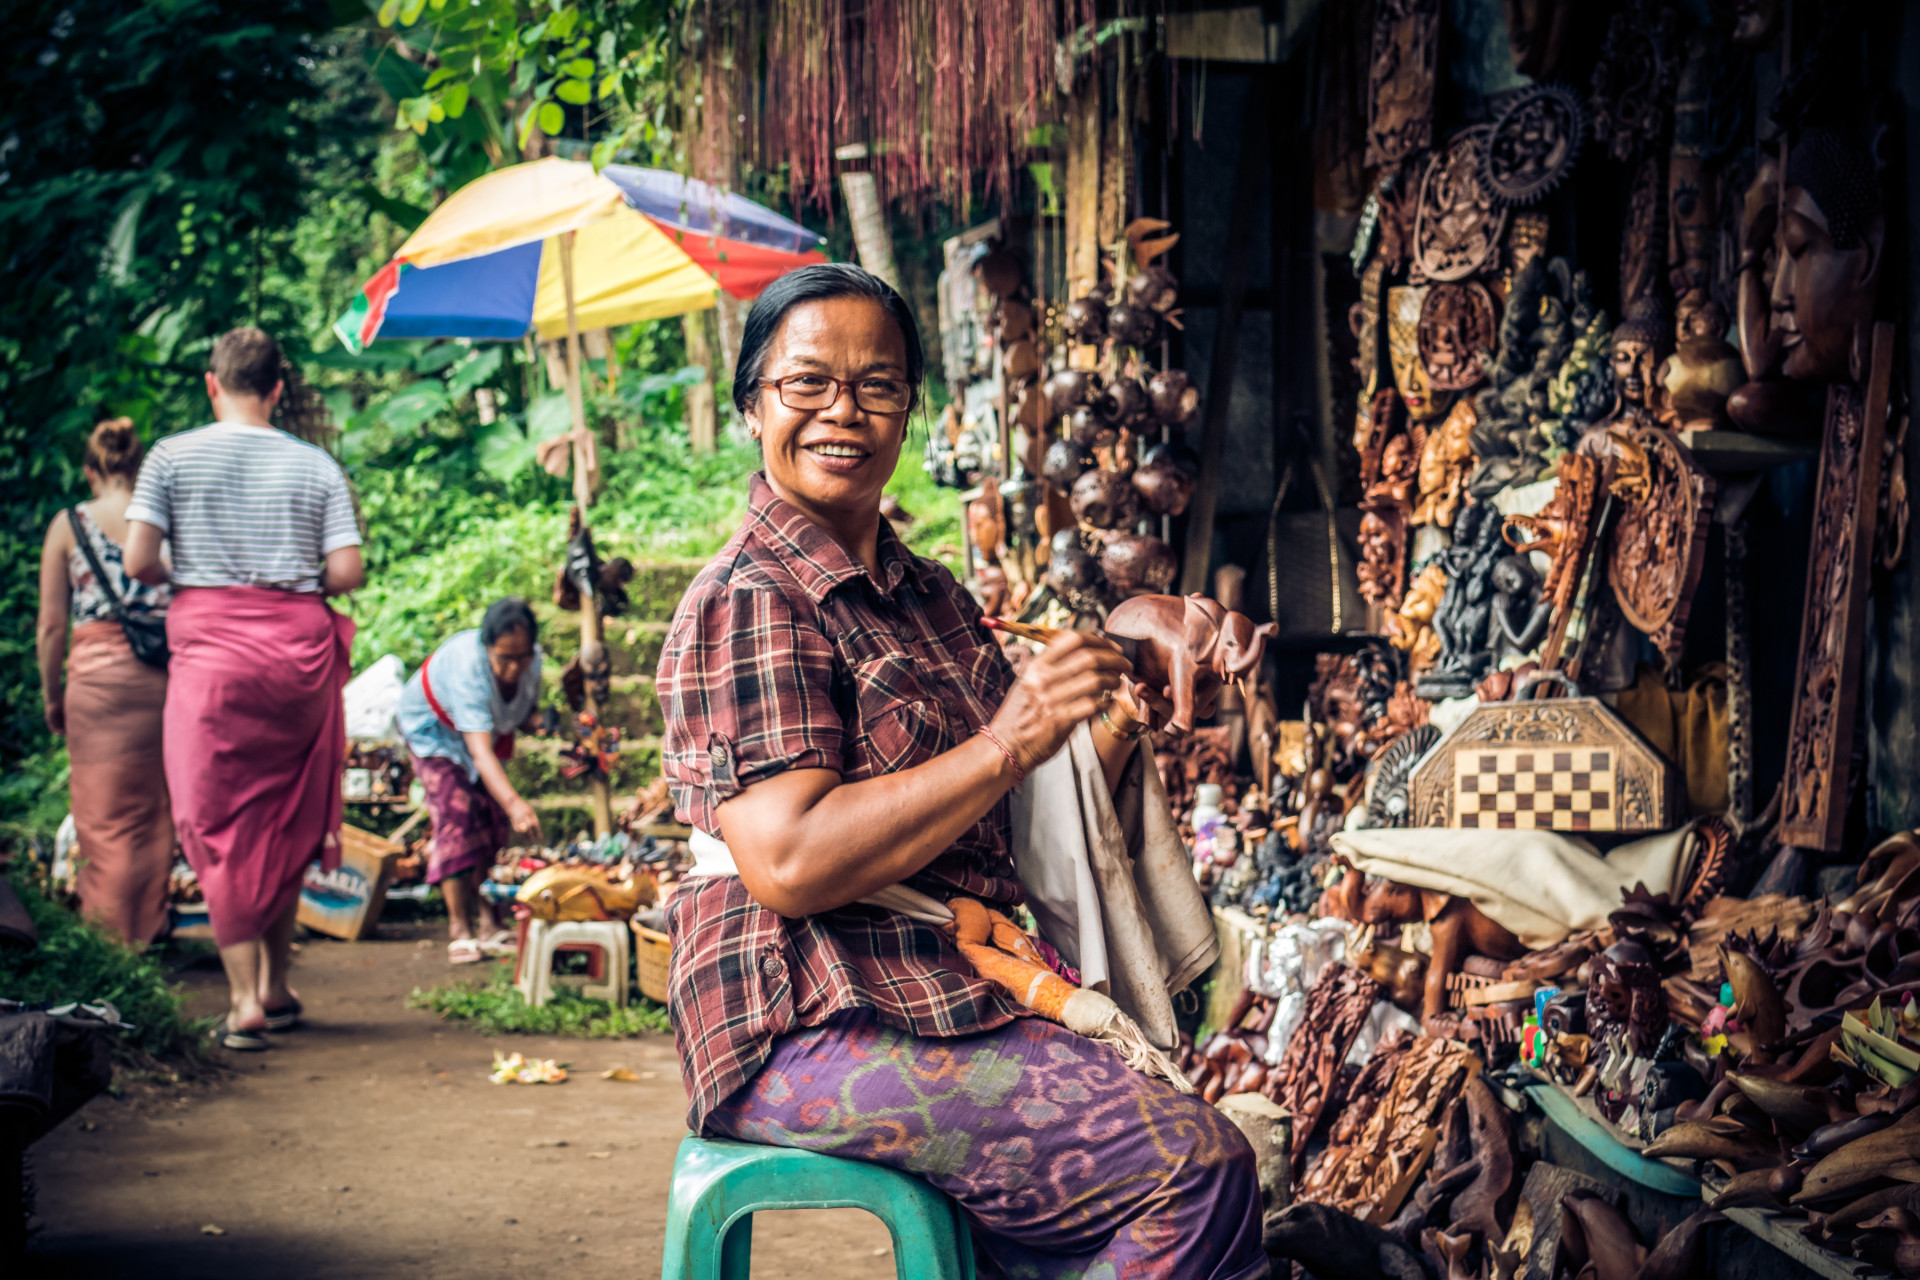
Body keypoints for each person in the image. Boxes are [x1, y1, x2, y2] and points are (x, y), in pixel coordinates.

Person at [656, 263, 1264, 1278]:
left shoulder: (925, 593)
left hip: (939, 982)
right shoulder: (749, 595)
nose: (841, 412)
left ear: (908, 413)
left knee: (1148, 1182)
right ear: (752, 405)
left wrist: (1126, 659)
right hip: (801, 1013)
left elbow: (1021, 795)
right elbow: (790, 860)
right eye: (807, 383)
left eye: (877, 385)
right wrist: (1006, 742)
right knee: (1194, 1171)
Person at [123, 326, 364, 1052]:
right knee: (286, 815)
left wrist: (197, 576)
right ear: (278, 391)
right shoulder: (314, 464)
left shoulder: (169, 456)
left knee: (217, 821)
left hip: (210, 659)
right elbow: (346, 571)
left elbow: (138, 561)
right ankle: (276, 985)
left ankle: (241, 1001)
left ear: (212, 383)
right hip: (296, 659)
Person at [35, 419, 175, 946]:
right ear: (138, 467)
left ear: (91, 470)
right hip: (162, 675)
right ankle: (150, 930)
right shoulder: (162, 521)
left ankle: (112, 945)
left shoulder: (68, 524)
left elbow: (51, 626)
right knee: (156, 811)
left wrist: (53, 698)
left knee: (103, 819)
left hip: (96, 685)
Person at [396, 598, 545, 963]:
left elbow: (520, 714)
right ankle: (459, 929)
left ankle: (490, 924)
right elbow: (480, 752)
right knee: (458, 818)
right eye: (503, 659)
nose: (513, 668)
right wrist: (515, 804)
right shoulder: (468, 669)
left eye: (521, 658)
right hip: (435, 738)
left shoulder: (533, 661)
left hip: (481, 740)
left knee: (492, 825)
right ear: (486, 648)